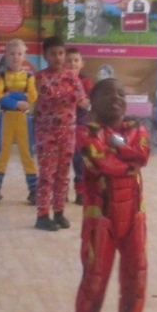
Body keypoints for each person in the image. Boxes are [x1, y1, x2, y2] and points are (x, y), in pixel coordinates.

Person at [65, 79, 152, 312]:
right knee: (94, 275)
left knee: (137, 273)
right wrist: (127, 156)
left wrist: (119, 148)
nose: (116, 99)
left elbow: (143, 156)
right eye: (108, 94)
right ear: (93, 101)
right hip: (100, 217)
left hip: (134, 216)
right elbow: (101, 163)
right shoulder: (85, 131)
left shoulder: (136, 128)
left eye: (121, 94)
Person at [32, 36, 89, 231]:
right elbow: (51, 95)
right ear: (45, 56)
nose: (58, 57)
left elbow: (82, 98)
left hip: (68, 133)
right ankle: (42, 216)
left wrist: (70, 95)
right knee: (47, 174)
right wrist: (71, 95)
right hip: (46, 134)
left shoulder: (72, 76)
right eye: (53, 54)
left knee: (63, 175)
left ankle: (59, 212)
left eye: (61, 53)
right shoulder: (40, 76)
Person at [0, 38, 38, 206]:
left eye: (19, 53)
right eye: (12, 54)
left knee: (27, 154)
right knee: (2, 154)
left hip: (24, 120)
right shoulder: (1, 76)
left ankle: (34, 191)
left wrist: (10, 95)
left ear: (24, 55)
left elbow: (32, 96)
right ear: (6, 55)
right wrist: (17, 102)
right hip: (6, 119)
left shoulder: (29, 77)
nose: (15, 57)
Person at [66, 46, 92, 204]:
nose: (72, 64)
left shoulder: (86, 82)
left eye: (76, 60)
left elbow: (89, 101)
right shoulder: (60, 80)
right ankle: (61, 191)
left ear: (82, 63)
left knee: (79, 159)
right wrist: (77, 100)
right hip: (62, 126)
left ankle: (81, 191)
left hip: (80, 126)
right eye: (69, 61)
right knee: (61, 160)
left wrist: (86, 102)